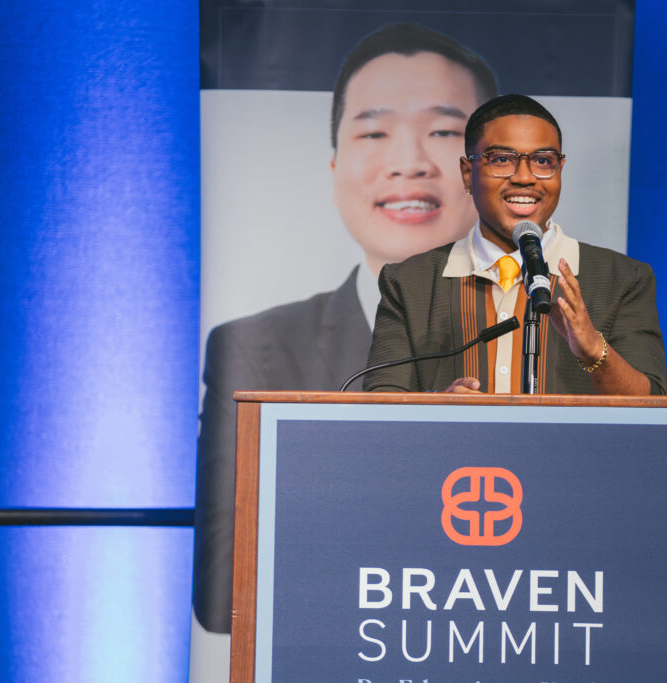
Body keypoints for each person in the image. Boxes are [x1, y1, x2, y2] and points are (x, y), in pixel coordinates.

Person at [193, 23, 498, 645]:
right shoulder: (254, 350)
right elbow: (222, 591)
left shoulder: (554, 338)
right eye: (374, 132)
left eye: (444, 131)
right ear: (335, 169)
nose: (410, 161)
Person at [364, 94, 667, 395]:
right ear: (468, 174)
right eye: (502, 160)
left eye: (542, 161)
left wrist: (594, 350)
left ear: (559, 171)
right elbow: (381, 409)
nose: (524, 177)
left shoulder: (622, 280)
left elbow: (658, 410)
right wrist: (439, 407)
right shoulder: (410, 283)